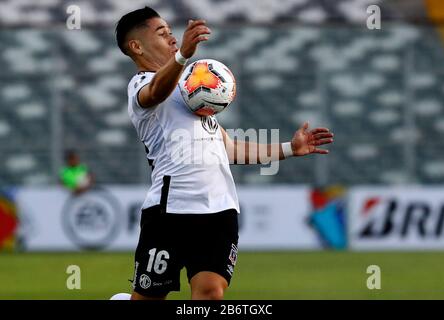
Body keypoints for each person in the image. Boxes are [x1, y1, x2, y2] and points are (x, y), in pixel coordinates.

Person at [113, 7, 334, 300]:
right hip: (171, 210)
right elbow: (155, 91)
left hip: (218, 209)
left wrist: (288, 149)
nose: (172, 38)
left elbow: (228, 148)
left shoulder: (193, 90)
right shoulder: (140, 87)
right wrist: (183, 57)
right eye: (161, 32)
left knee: (210, 293)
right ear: (136, 46)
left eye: (170, 31)